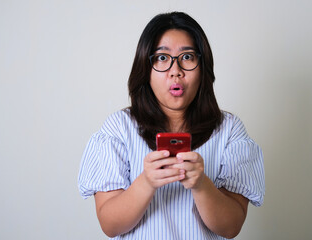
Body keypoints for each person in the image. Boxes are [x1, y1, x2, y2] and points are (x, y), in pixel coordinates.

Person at [78, 11, 265, 240]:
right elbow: (110, 224)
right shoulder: (119, 128)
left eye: (187, 57)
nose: (175, 71)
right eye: (162, 58)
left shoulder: (229, 130)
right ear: (145, 69)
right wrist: (146, 182)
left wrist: (201, 185)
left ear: (202, 66)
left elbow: (231, 227)